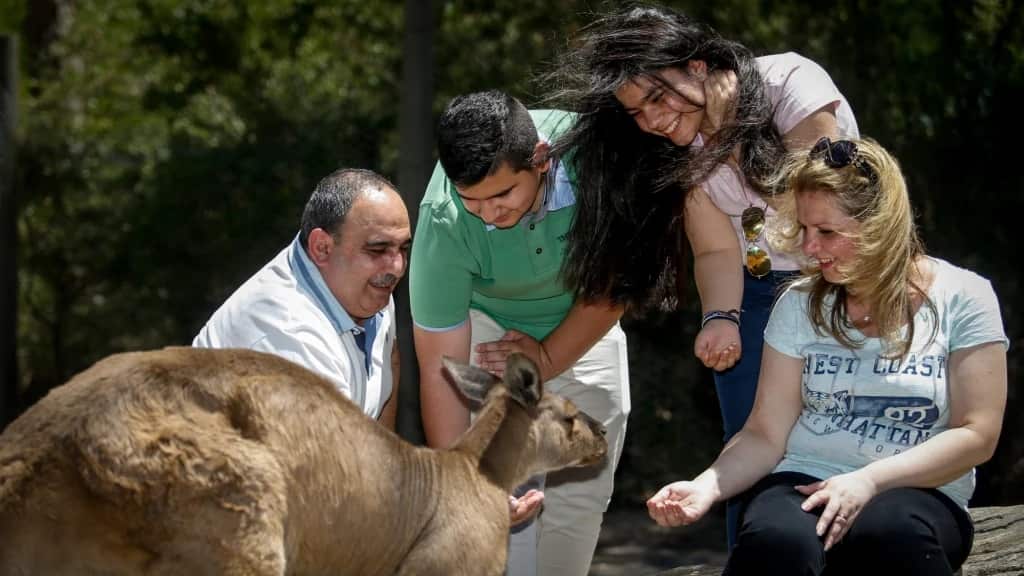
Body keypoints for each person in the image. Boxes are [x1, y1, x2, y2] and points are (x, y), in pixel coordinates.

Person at [547, 3, 859, 544]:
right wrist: (721, 318)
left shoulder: (791, 82)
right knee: (749, 446)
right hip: (757, 288)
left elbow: (824, 215)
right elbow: (716, 252)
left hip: (841, 282)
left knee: (843, 437)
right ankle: (756, 555)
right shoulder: (681, 151)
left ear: (696, 64)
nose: (652, 121)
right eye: (637, 113)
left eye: (656, 97)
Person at [647, 137, 1008, 575]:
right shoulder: (799, 304)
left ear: (880, 225)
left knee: (891, 534)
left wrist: (868, 481)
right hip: (805, 480)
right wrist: (705, 488)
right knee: (775, 540)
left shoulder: (965, 296)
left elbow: (977, 434)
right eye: (803, 230)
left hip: (917, 490)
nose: (810, 248)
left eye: (827, 232)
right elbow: (764, 433)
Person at [410, 90, 630, 576]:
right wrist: (463, 487)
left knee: (585, 477)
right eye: (473, 201)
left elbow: (617, 289)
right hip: (487, 317)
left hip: (584, 311)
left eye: (502, 195)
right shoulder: (444, 220)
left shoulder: (601, 160)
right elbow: (438, 365)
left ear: (541, 160)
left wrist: (548, 358)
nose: (490, 215)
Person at [193, 168, 411, 430]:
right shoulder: (288, 333)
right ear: (322, 248)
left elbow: (390, 367)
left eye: (403, 248)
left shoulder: (369, 288)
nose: (396, 267)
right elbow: (326, 464)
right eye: (378, 249)